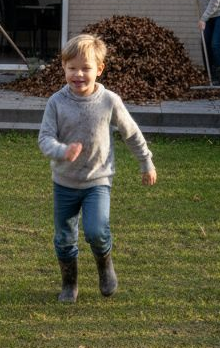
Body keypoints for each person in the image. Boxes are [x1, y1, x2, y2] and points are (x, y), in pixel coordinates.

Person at [39, 34, 157, 303]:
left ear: (100, 69)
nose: (78, 74)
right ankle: (70, 284)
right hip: (64, 182)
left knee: (96, 231)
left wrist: (146, 161)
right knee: (64, 238)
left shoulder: (109, 101)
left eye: (86, 68)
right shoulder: (56, 102)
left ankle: (105, 266)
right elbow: (44, 138)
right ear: (63, 68)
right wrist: (61, 151)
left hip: (97, 182)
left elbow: (131, 133)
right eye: (72, 68)